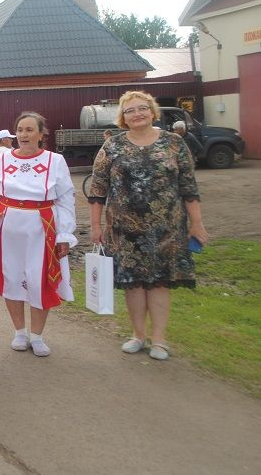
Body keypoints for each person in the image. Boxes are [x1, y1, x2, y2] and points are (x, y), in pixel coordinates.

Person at [89, 91, 208, 361]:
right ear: (123, 117)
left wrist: (197, 223)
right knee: (133, 284)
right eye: (130, 111)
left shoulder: (174, 143)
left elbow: (189, 187)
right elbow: (97, 190)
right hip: (124, 229)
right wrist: (95, 226)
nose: (137, 114)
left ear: (152, 111)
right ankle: (138, 335)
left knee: (159, 283)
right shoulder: (112, 147)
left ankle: (160, 340)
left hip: (167, 229)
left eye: (142, 108)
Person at [0, 112, 77, 357]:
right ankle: (20, 332)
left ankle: (38, 335)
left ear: (42, 134)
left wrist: (64, 234)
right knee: (11, 278)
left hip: (41, 228)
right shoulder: (1, 160)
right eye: (20, 130)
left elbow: (65, 200)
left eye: (30, 130)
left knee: (38, 279)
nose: (23, 135)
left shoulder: (55, 161)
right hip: (8, 228)